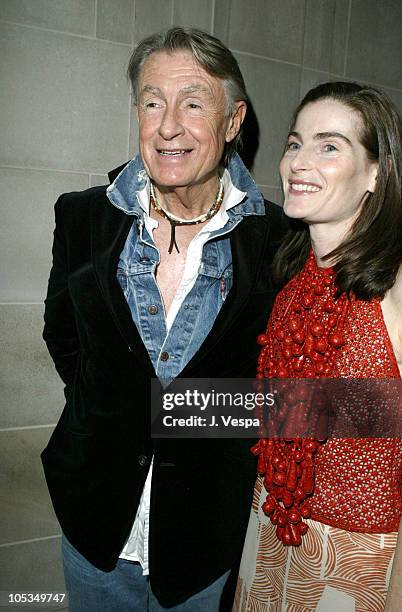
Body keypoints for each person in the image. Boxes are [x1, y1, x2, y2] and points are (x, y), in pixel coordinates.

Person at [41, 27, 286, 611]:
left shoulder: (283, 241)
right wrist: (115, 411)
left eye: (193, 103)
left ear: (233, 121)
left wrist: (176, 413)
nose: (168, 125)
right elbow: (64, 340)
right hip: (94, 527)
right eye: (153, 103)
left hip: (204, 542)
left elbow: (297, 395)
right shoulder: (81, 218)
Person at [234, 82, 402, 611]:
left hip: (355, 565)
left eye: (330, 146)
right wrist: (171, 411)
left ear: (375, 173)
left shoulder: (395, 288)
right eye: (294, 142)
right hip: (266, 537)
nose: (299, 162)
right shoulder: (293, 282)